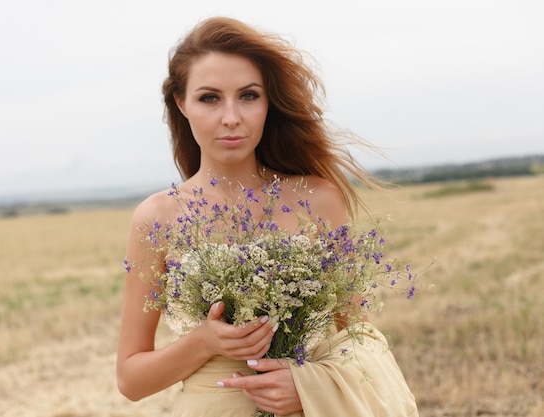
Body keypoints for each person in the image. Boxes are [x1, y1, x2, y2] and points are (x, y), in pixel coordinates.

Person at [116, 16, 418, 417]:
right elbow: (131, 380)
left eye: (248, 96)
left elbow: (360, 340)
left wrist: (307, 387)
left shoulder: (319, 199)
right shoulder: (157, 217)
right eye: (209, 98)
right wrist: (205, 341)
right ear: (181, 103)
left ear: (267, 102)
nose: (231, 117)